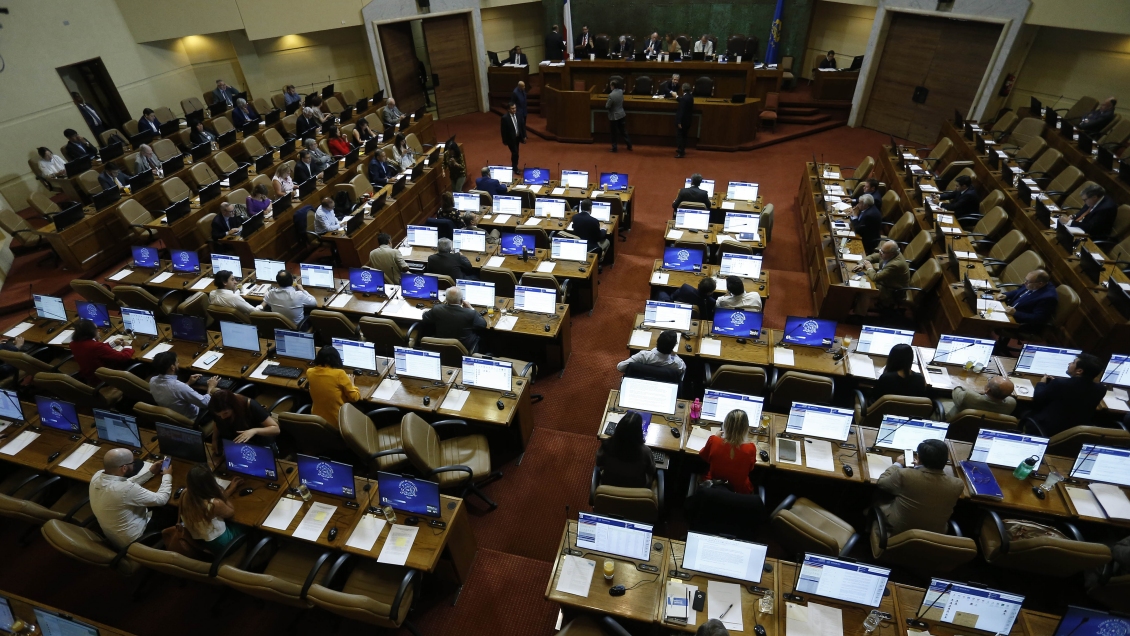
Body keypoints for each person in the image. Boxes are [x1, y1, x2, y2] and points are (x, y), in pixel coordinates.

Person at [875, 439, 964, 535]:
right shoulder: (957, 484)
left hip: (898, 531)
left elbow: (882, 483)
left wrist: (898, 464)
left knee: (879, 495)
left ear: (918, 457)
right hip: (934, 537)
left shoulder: (905, 474)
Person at [89, 448, 172, 549]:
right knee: (170, 511)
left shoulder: (97, 475)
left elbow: (125, 483)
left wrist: (150, 473)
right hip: (135, 541)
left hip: (113, 535)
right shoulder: (126, 489)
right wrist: (167, 475)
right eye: (132, 463)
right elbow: (161, 499)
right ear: (124, 468)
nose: (134, 464)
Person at [1028, 354, 1106, 435]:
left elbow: (1037, 401)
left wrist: (1041, 383)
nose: (1069, 364)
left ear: (1079, 371)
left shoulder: (1059, 383)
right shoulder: (1101, 389)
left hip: (1046, 429)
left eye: (1073, 362)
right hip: (1075, 433)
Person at [179, 464, 244, 553]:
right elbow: (231, 512)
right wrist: (219, 492)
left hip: (200, 541)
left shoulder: (184, 494)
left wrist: (231, 489)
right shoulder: (215, 503)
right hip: (223, 545)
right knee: (247, 524)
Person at [699, 411, 758, 494]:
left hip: (714, 487)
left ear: (725, 425)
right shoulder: (751, 448)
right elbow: (751, 468)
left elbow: (704, 456)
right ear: (745, 429)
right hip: (739, 492)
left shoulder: (714, 440)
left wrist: (716, 438)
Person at [150, 351, 218, 421]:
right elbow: (205, 403)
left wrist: (188, 383)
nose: (178, 364)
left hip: (175, 415)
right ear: (172, 367)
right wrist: (211, 387)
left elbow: (174, 393)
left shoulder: (152, 381)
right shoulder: (178, 386)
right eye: (177, 362)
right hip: (195, 417)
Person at [594, 411, 654, 489]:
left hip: (609, 487)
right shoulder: (645, 452)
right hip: (637, 491)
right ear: (639, 432)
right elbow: (652, 470)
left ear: (618, 428)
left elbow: (599, 463)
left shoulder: (606, 446)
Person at [208, 390, 280, 453]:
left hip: (258, 443)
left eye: (225, 413)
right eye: (219, 415)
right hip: (235, 444)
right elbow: (216, 422)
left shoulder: (250, 405)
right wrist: (214, 439)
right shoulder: (215, 409)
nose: (222, 417)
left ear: (233, 407)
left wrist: (254, 431)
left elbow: (276, 429)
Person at [68, 319, 134, 384]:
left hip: (91, 377)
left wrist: (113, 343)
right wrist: (127, 346)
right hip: (106, 379)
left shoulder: (73, 344)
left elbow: (98, 351)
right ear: (90, 332)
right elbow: (124, 357)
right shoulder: (95, 346)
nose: (98, 331)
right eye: (96, 329)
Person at [306, 347, 361, 423]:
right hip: (338, 420)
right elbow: (354, 398)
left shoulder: (309, 372)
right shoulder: (339, 374)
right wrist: (352, 383)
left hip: (317, 420)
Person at [420, 287, 487, 350]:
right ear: (461, 300)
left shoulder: (437, 309)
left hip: (441, 345)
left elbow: (425, 318)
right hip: (464, 347)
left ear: (446, 299)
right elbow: (483, 324)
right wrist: (471, 308)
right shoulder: (470, 313)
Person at [858, 240, 910, 309]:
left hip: (891, 290)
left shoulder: (895, 264)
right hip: (885, 282)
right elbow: (873, 257)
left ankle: (859, 315)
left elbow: (875, 277)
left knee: (865, 291)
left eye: (883, 252)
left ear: (892, 254)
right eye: (880, 250)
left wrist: (869, 268)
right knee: (861, 278)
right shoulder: (888, 254)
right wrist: (862, 263)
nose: (880, 253)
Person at [616, 330, 686, 378]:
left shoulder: (643, 356)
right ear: (674, 346)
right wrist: (673, 354)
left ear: (657, 341)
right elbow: (683, 369)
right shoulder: (677, 364)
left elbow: (620, 367)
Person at [947, 377, 1016, 420]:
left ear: (987, 390)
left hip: (955, 420)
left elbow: (957, 389)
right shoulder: (1012, 403)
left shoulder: (968, 396)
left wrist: (970, 389)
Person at [606, 79, 632, 153]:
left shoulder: (611, 95)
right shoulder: (621, 92)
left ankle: (614, 148)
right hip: (621, 114)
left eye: (611, 85)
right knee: (623, 130)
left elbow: (607, 106)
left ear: (613, 86)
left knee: (614, 133)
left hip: (614, 116)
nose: (610, 87)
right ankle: (629, 145)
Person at [501, 102, 523, 173]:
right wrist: (504, 140)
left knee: (516, 153)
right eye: (512, 108)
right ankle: (515, 168)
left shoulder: (518, 115)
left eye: (515, 108)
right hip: (510, 139)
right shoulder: (505, 118)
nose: (514, 110)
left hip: (517, 138)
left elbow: (522, 126)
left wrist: (524, 136)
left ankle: (515, 165)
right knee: (515, 153)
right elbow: (503, 130)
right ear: (508, 109)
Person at [674, 83, 694, 158]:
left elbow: (681, 111)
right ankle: (682, 150)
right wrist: (676, 96)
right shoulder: (690, 97)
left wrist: (679, 122)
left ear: (682, 89)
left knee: (680, 136)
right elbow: (682, 100)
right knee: (684, 136)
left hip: (682, 121)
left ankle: (680, 152)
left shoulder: (684, 98)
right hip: (688, 121)